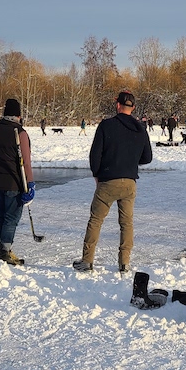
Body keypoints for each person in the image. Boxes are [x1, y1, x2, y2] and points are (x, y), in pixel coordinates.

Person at [74, 91, 153, 273]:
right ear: (133, 108)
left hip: (108, 181)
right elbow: (147, 157)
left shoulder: (106, 125)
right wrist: (130, 162)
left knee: (96, 220)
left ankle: (87, 260)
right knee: (126, 223)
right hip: (129, 182)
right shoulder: (140, 128)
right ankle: (124, 263)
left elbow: (95, 154)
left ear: (117, 105)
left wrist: (97, 173)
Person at [0, 98, 34, 266]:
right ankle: (5, 250)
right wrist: (30, 184)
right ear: (18, 115)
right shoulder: (20, 133)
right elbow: (26, 162)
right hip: (13, 183)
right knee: (11, 218)